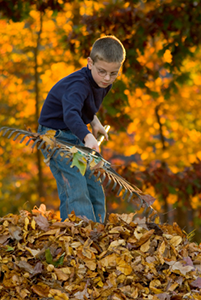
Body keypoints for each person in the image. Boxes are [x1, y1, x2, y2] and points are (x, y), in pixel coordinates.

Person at [38, 35, 126, 222]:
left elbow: (83, 106)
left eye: (113, 73)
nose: (107, 78)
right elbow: (70, 113)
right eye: (102, 71)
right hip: (55, 135)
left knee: (94, 183)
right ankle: (77, 237)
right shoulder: (78, 85)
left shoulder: (103, 82)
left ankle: (97, 232)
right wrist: (86, 136)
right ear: (90, 63)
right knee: (75, 185)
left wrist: (94, 122)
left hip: (74, 132)